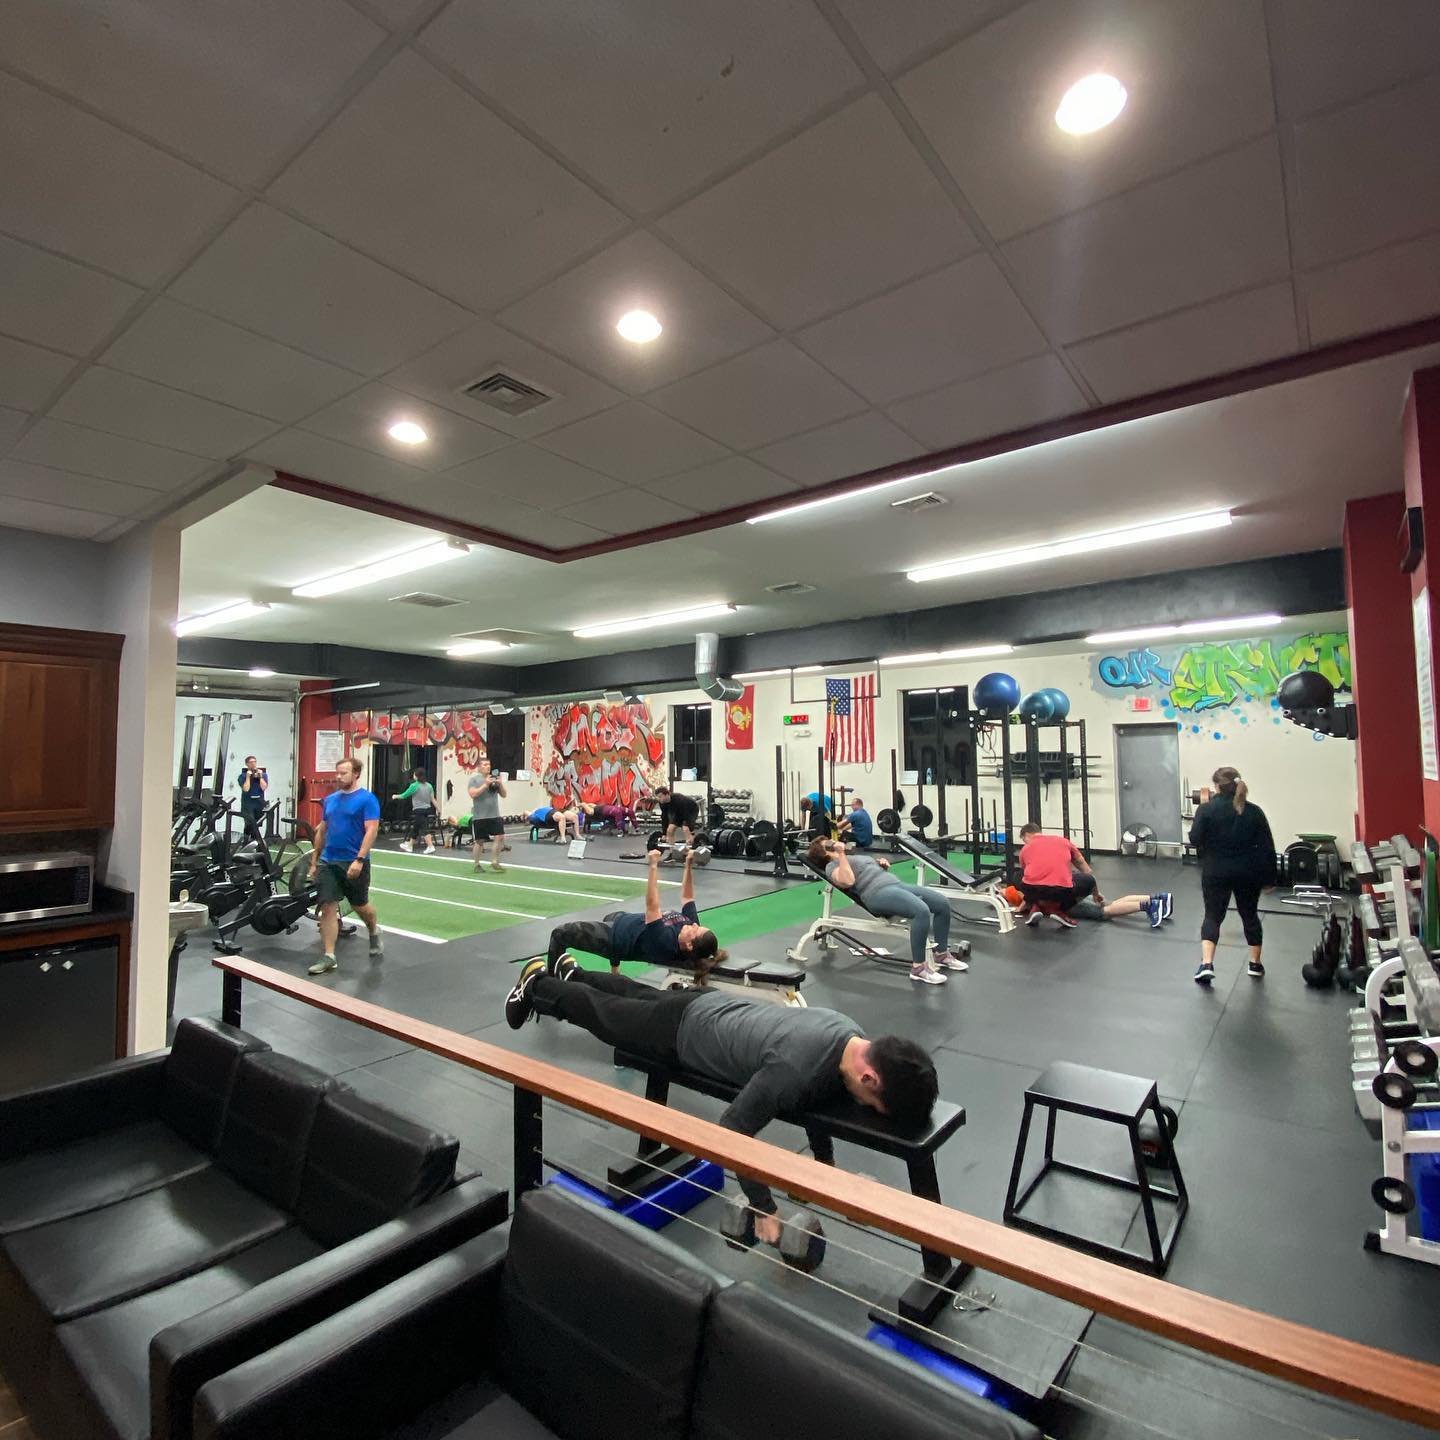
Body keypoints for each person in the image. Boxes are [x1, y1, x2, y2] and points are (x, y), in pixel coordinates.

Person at [504, 954, 938, 1234]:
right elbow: (731, 1130)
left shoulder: (848, 1031)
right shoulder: (793, 1070)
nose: (866, 1109)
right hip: (678, 1035)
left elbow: (820, 1095)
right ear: (870, 1078)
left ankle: (575, 974)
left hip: (705, 1003)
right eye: (873, 1105)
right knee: (602, 1014)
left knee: (635, 995)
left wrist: (824, 1166)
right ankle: (537, 985)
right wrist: (764, 1209)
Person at [808, 836, 967, 985]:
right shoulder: (831, 866)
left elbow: (866, 870)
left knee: (942, 903)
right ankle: (919, 968)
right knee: (921, 911)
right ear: (825, 853)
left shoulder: (850, 858)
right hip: (876, 893)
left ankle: (941, 955)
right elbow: (847, 880)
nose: (833, 842)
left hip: (895, 884)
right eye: (829, 844)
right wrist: (841, 853)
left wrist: (880, 865)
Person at [543, 847, 722, 975]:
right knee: (609, 916)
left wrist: (653, 866)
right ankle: (615, 969)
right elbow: (688, 897)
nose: (694, 924)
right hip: (625, 921)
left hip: (616, 938)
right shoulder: (690, 926)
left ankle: (550, 985)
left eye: (695, 930)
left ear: (689, 945)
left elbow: (652, 905)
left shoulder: (666, 943)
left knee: (560, 933)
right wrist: (688, 865)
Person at [1189, 765, 1275, 985]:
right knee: (1250, 915)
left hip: (1216, 872)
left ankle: (1207, 964)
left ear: (1217, 786)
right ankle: (1255, 964)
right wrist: (1269, 879)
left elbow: (1194, 839)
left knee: (1212, 916)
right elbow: (1267, 847)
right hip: (1248, 873)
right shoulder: (1254, 811)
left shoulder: (1206, 810)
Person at [307, 755, 382, 976]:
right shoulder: (330, 800)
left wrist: (359, 859)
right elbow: (322, 830)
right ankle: (329, 956)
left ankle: (373, 929)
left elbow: (371, 830)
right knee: (328, 907)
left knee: (360, 906)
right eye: (337, 773)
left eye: (344, 773)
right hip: (329, 861)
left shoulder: (367, 799)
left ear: (356, 774)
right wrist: (314, 861)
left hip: (353, 862)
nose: (338, 777)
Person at [1015, 821, 1097, 928]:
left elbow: (1026, 874)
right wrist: (1096, 892)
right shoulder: (1064, 841)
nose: (1024, 842)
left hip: (1033, 890)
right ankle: (1058, 910)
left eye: (1023, 840)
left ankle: (1036, 906)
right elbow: (1086, 869)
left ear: (1026, 835)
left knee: (1018, 876)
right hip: (1061, 891)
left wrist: (1027, 900)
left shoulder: (1025, 849)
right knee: (1088, 880)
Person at [1003, 883, 1173, 928]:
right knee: (1111, 903)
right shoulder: (1034, 881)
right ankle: (1157, 898)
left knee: (1105, 912)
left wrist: (1016, 908)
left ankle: (1149, 906)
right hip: (1072, 892)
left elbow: (1019, 900)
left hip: (1069, 905)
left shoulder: (1025, 895)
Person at [468, 759, 508, 871]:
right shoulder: (474, 780)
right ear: (479, 767)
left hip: (495, 815)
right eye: (485, 765)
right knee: (480, 841)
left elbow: (504, 794)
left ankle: (494, 861)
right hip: (480, 816)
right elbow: (473, 794)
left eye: (489, 764)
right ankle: (477, 864)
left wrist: (500, 784)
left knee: (500, 836)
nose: (488, 766)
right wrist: (485, 785)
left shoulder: (493, 778)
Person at [392, 767, 438, 853]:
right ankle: (410, 845)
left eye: (414, 774)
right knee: (416, 828)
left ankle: (430, 846)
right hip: (427, 810)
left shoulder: (414, 785)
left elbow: (404, 795)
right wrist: (438, 809)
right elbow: (433, 799)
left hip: (418, 810)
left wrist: (395, 796)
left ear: (416, 776)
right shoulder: (429, 786)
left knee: (424, 828)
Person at [653, 785, 699, 858]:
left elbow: (687, 816)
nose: (659, 799)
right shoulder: (662, 803)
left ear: (667, 794)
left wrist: (691, 830)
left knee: (685, 829)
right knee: (670, 830)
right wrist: (664, 834)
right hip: (678, 813)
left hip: (691, 810)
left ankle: (689, 854)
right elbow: (664, 818)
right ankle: (672, 854)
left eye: (660, 796)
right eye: (658, 797)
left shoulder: (679, 800)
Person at [237, 755, 268, 830]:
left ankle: (255, 837)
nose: (253, 764)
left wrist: (260, 777)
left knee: (257, 824)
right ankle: (247, 837)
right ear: (247, 764)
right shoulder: (242, 776)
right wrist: (248, 777)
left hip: (259, 802)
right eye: (251, 762)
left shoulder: (263, 775)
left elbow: (264, 787)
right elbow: (246, 789)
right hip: (248, 803)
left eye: (254, 762)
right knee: (249, 824)